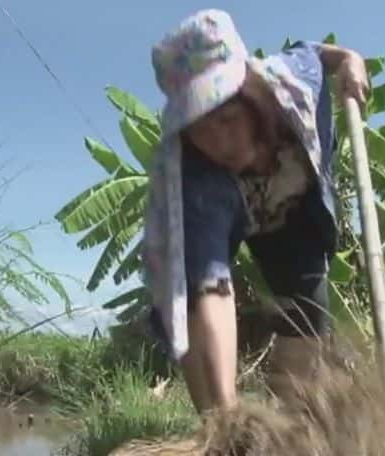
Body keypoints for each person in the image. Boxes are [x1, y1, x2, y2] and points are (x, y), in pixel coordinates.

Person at [141, 9, 370, 415]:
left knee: (307, 317)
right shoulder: (195, 173)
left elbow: (317, 53)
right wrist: (227, 419)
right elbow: (209, 290)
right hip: (227, 207)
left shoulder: (293, 80)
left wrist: (350, 59)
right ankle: (222, 428)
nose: (217, 141)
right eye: (200, 126)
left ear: (252, 90)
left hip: (292, 210)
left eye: (228, 119)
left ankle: (290, 424)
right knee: (194, 294)